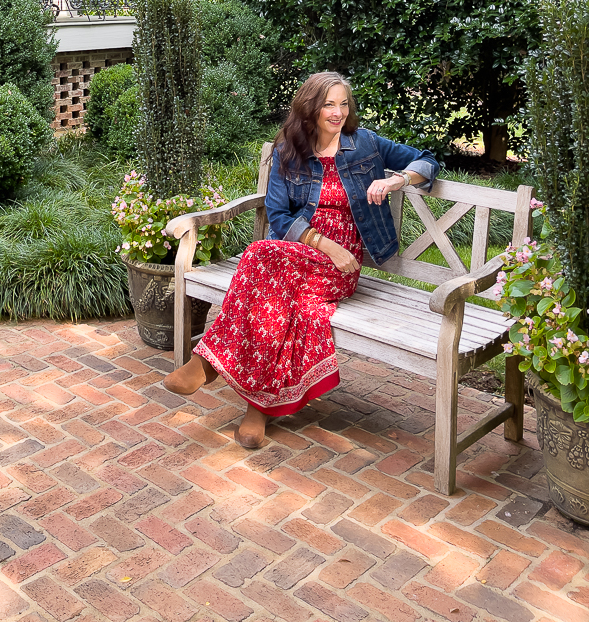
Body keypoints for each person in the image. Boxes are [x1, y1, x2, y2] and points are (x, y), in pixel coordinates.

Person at [163, 71, 439, 448]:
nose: (338, 112)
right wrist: (325, 244)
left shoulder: (366, 144)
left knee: (260, 255)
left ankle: (207, 364)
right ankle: (256, 411)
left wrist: (396, 181)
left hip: (342, 264)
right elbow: (277, 215)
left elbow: (427, 161)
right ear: (310, 107)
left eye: (344, 104)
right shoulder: (289, 150)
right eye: (329, 104)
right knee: (285, 303)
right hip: (305, 251)